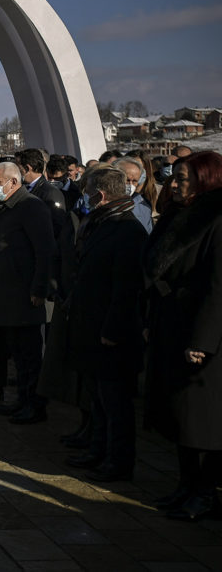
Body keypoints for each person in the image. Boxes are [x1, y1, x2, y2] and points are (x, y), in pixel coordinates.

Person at [143, 151, 222, 521]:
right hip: (172, 325)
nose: (173, 184)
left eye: (183, 178)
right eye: (173, 177)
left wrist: (202, 340)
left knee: (201, 420)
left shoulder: (215, 219)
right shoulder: (179, 215)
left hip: (202, 337)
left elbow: (218, 287)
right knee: (179, 415)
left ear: (205, 180)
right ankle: (186, 485)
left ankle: (204, 493)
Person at [62, 166, 146, 482]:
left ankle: (118, 461)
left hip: (112, 334)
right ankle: (97, 450)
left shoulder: (127, 230)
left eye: (87, 193)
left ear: (99, 195)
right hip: (92, 327)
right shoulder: (103, 222)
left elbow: (127, 288)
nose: (83, 198)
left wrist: (113, 330)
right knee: (98, 398)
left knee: (115, 403)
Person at [0, 162, 54, 424]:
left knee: (30, 354)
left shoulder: (31, 206)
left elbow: (45, 250)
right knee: (18, 354)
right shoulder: (4, 207)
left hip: (24, 294)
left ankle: (34, 404)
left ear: (13, 182)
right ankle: (22, 400)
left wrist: (39, 288)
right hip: (6, 293)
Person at [113, 157, 154, 234]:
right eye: (127, 180)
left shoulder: (144, 204)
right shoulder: (101, 202)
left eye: (134, 181)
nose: (130, 184)